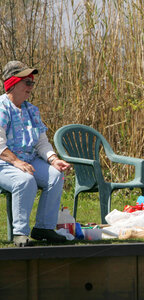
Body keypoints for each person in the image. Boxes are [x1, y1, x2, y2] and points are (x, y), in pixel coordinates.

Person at [0, 61, 71, 247]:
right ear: (12, 83)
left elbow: (41, 142)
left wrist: (53, 159)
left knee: (56, 176)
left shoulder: (32, 110)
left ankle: (43, 228)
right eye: (27, 82)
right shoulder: (1, 108)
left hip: (28, 160)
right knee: (25, 180)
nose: (31, 87)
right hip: (4, 163)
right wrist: (16, 161)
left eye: (32, 83)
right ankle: (20, 233)